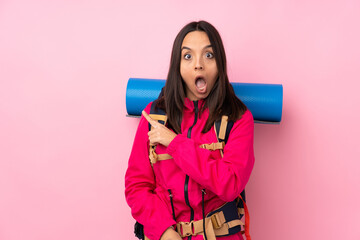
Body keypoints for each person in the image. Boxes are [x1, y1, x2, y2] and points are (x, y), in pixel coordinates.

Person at [125, 21, 255, 240]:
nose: (198, 65)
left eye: (208, 55)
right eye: (188, 56)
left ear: (219, 63)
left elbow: (230, 184)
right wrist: (166, 232)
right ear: (177, 64)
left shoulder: (239, 118)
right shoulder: (154, 116)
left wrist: (175, 144)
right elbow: (137, 186)